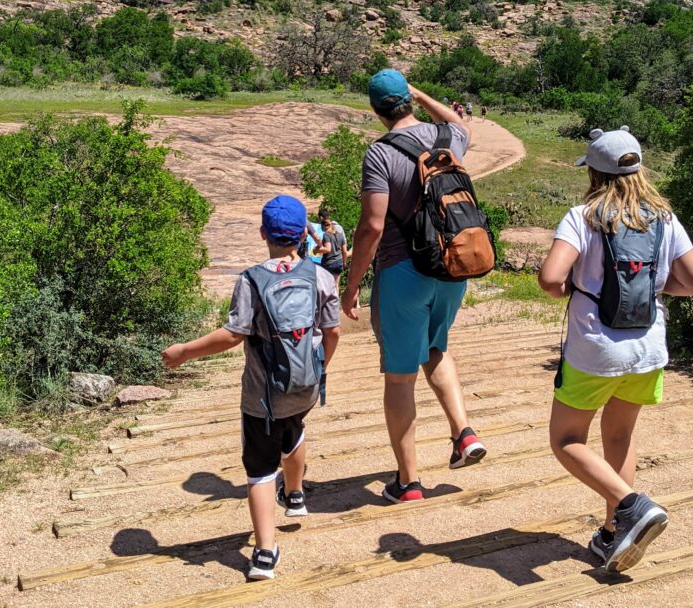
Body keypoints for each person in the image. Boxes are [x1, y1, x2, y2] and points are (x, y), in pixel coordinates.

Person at [538, 127, 693, 574]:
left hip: (596, 350)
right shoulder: (664, 218)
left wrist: (577, 291)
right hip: (648, 348)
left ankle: (632, 505)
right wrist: (650, 289)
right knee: (620, 436)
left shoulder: (583, 216)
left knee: (565, 440)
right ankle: (615, 533)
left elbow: (549, 278)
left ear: (593, 172)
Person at [162, 195, 341, 582]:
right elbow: (333, 331)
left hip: (262, 394)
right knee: (294, 430)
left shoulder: (251, 279)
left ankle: (264, 553)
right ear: (303, 236)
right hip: (306, 384)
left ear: (263, 234)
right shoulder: (322, 277)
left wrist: (184, 352)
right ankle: (294, 495)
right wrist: (320, 366)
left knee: (260, 468)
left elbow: (232, 335)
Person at [342, 69, 487, 504]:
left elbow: (370, 227)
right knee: (437, 347)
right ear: (408, 99)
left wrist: (352, 288)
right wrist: (422, 94)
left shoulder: (379, 155)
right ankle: (462, 433)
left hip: (402, 273)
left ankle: (408, 483)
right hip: (451, 267)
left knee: (400, 378)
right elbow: (463, 125)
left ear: (375, 110)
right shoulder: (447, 139)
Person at [312, 203, 348, 292]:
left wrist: (316, 250)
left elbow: (328, 249)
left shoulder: (326, 235)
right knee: (336, 285)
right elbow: (344, 250)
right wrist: (344, 262)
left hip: (329, 262)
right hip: (339, 262)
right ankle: (336, 305)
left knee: (327, 286)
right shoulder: (339, 234)